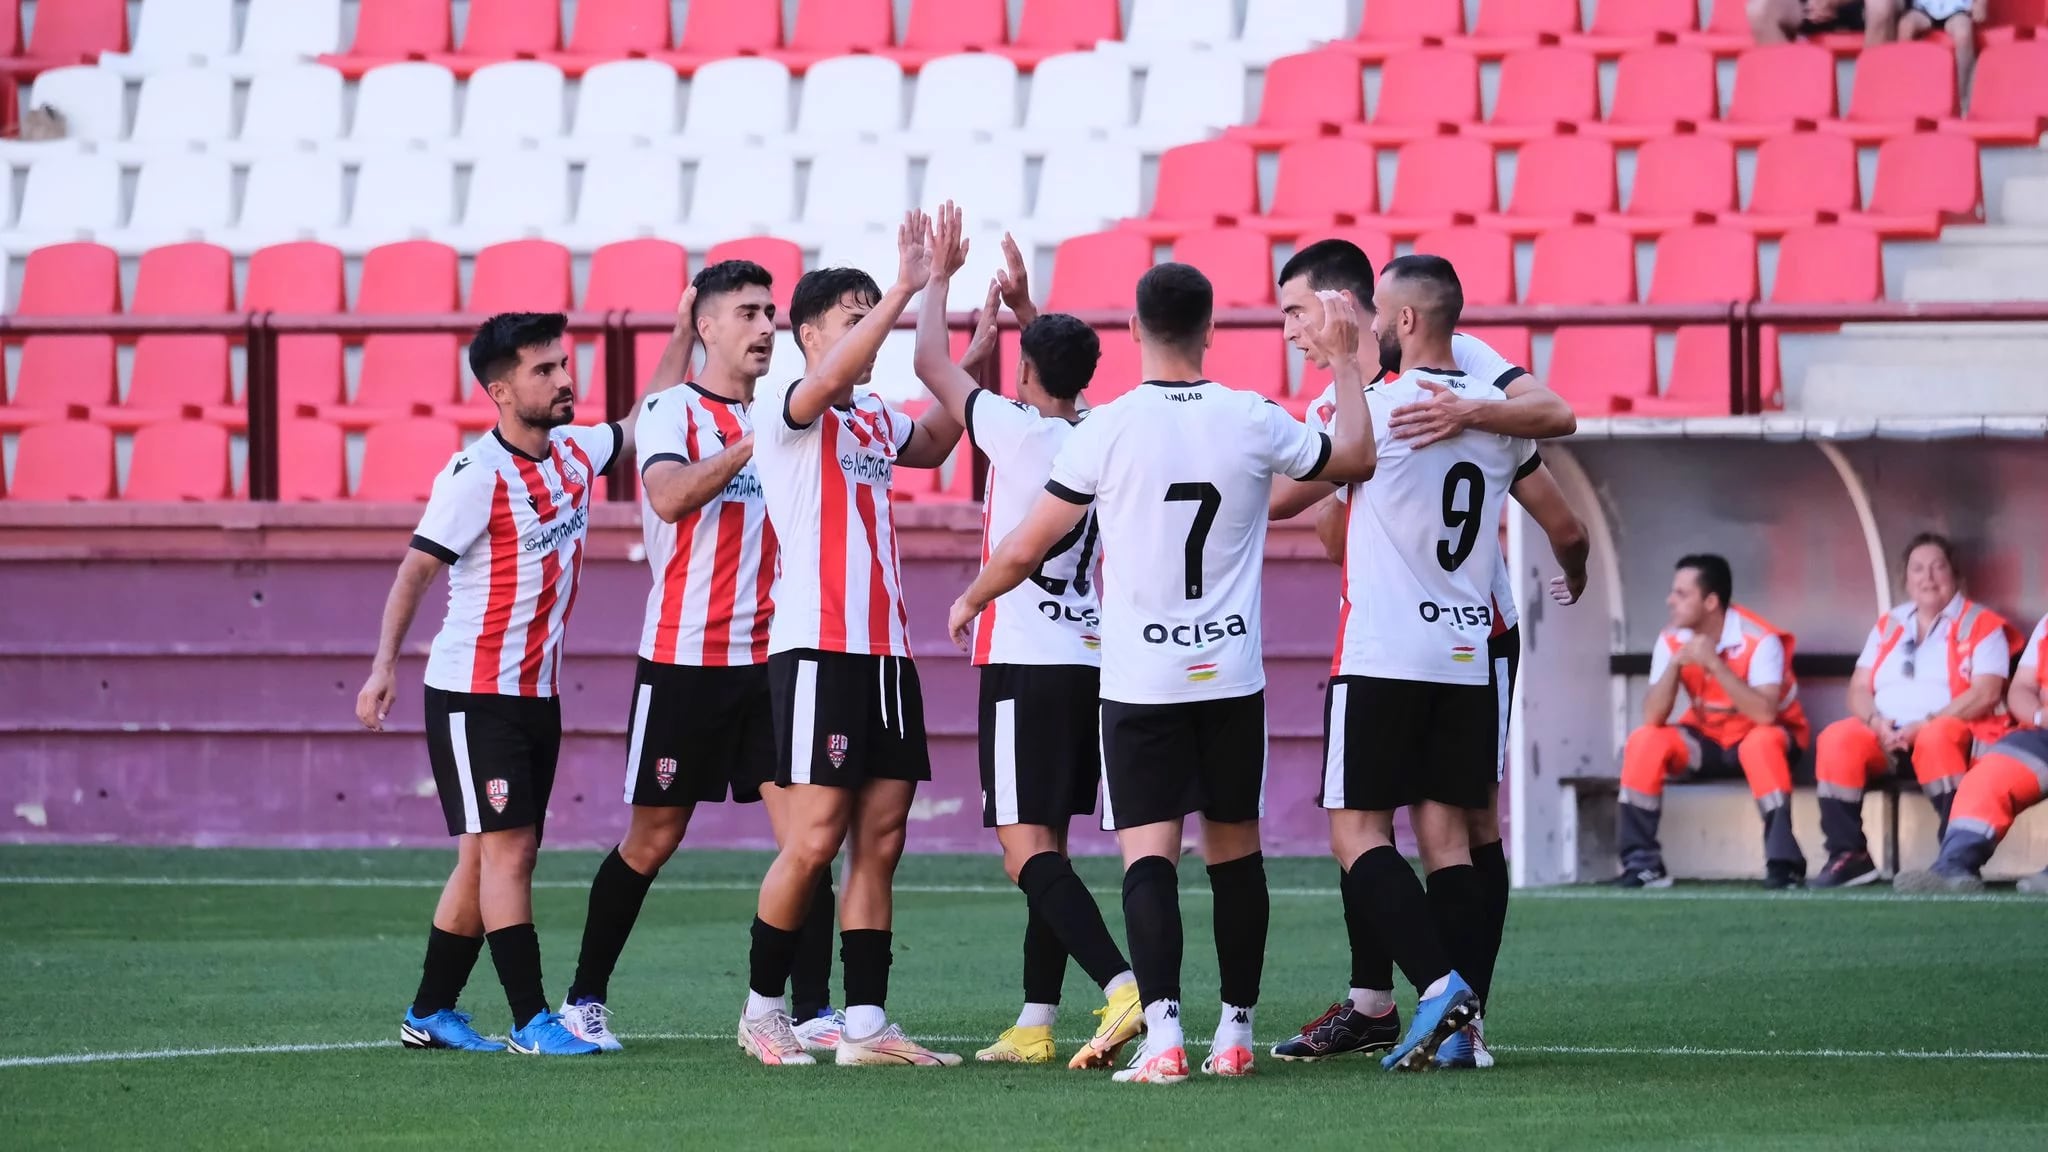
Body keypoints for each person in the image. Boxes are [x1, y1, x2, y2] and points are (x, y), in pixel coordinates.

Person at [948, 262, 1378, 1085]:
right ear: (1211, 331)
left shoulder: (1107, 429)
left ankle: (1167, 1037)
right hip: (1229, 676)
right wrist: (1349, 362)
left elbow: (1027, 545)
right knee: (1235, 857)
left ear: (1136, 334)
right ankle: (1238, 1032)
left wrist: (973, 596)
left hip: (1141, 681)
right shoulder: (1251, 417)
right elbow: (1354, 456)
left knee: (1149, 857)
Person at [1263, 238, 1580, 1070]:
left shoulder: (1366, 407)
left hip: (1383, 649)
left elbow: (1298, 495)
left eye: (1296, 311)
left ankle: (1442, 989)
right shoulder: (1480, 402)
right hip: (1465, 648)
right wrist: (1572, 570)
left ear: (1366, 311)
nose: (1290, 329)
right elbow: (1562, 510)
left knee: (1358, 832)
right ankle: (1448, 1028)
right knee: (1451, 834)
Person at [359, 311, 662, 1056]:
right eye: (544, 371)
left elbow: (643, 420)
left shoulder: (572, 453)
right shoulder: (474, 476)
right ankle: (531, 1020)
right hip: (473, 695)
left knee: (485, 855)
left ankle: (429, 1011)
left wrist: (684, 329)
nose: (565, 380)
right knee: (510, 851)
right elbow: (416, 571)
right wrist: (382, 668)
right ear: (500, 390)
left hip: (535, 696)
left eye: (563, 366)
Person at [555, 263, 840, 1054]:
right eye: (746, 312)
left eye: (771, 313)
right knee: (651, 839)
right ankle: (584, 999)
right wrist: (758, 442)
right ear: (705, 327)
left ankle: (810, 1010)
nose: (763, 327)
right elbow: (671, 497)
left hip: (773, 663)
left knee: (809, 839)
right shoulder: (670, 410)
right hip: (682, 661)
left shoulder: (796, 409)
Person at [909, 206, 1142, 1068]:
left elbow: (929, 362)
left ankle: (1125, 992)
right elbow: (1057, 364)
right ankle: (1036, 1021)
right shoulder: (1100, 429)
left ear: (1028, 368)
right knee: (1050, 844)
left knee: (1021, 849)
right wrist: (1023, 304)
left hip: (1022, 659)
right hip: (1088, 660)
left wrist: (938, 275)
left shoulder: (1018, 430)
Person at [737, 211, 968, 1067]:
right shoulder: (784, 404)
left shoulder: (872, 416)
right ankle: (763, 1011)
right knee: (816, 835)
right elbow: (825, 380)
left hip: (885, 655)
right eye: (853, 314)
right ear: (808, 334)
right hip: (818, 649)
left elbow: (944, 433)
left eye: (877, 310)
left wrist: (941, 296)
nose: (872, 326)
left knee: (882, 838)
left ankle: (866, 1027)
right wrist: (905, 286)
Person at [1810, 533, 2018, 888]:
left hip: (1950, 734)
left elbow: (1986, 692)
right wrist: (1876, 722)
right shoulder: (1890, 623)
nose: (1928, 578)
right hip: (1886, 736)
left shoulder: (1981, 624)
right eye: (1918, 570)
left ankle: (1953, 860)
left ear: (1956, 577)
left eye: (1938, 568)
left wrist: (1926, 724)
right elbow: (1859, 688)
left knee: (1938, 737)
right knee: (1837, 738)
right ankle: (1850, 856)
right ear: (1905, 580)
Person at [1612, 555, 1811, 891]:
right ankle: (1642, 864)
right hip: (1709, 741)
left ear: (1710, 601)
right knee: (1645, 739)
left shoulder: (1760, 640)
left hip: (1764, 740)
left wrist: (1715, 665)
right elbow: (1653, 717)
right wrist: (1675, 665)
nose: (1670, 601)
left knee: (1761, 742)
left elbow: (1764, 714)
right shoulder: (1672, 638)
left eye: (1681, 594)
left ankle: (1784, 863)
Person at [1895, 612, 2048, 893]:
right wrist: (2038, 716)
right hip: (2044, 732)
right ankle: (1953, 868)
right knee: (1988, 776)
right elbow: (2021, 689)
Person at [1749, 0, 1899, 44]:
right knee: (1759, 11)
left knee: (1881, 5)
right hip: (1810, 7)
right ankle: (1787, 102)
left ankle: (1875, 100)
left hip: (1863, 7)